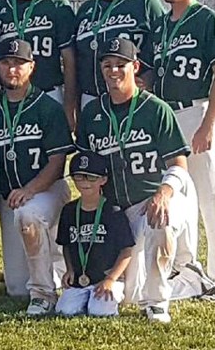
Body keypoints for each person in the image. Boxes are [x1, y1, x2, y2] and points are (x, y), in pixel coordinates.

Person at [74, 37, 198, 323]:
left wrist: (164, 192)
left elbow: (179, 163)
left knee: (161, 220)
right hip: (115, 210)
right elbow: (86, 166)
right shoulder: (93, 112)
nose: (114, 71)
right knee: (127, 294)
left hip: (150, 199)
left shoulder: (155, 109)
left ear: (135, 67)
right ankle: (174, 281)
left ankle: (157, 302)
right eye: (108, 65)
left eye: (121, 65)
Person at [150, 0, 215, 302]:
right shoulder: (160, 24)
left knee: (213, 198)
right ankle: (188, 272)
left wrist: (209, 124)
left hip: (198, 112)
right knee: (179, 197)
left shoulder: (207, 19)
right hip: (167, 117)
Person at [0, 38, 73, 315]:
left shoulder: (47, 106)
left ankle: (44, 293)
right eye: (6, 63)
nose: (12, 70)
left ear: (31, 67)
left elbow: (57, 162)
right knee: (17, 286)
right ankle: (51, 265)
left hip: (46, 189)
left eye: (19, 64)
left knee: (29, 215)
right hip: (10, 197)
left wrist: (31, 189)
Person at [72, 0, 164, 129]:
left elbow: (164, 49)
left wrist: (149, 78)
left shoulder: (146, 4)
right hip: (91, 99)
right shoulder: (86, 9)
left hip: (132, 98)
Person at [55, 151, 135, 318]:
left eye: (92, 177)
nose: (85, 182)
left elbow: (126, 250)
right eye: (79, 177)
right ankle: (85, 298)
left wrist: (111, 279)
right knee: (64, 310)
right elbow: (67, 245)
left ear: (103, 180)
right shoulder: (69, 211)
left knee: (100, 311)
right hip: (80, 279)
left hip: (105, 278)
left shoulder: (113, 211)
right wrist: (69, 269)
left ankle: (100, 297)